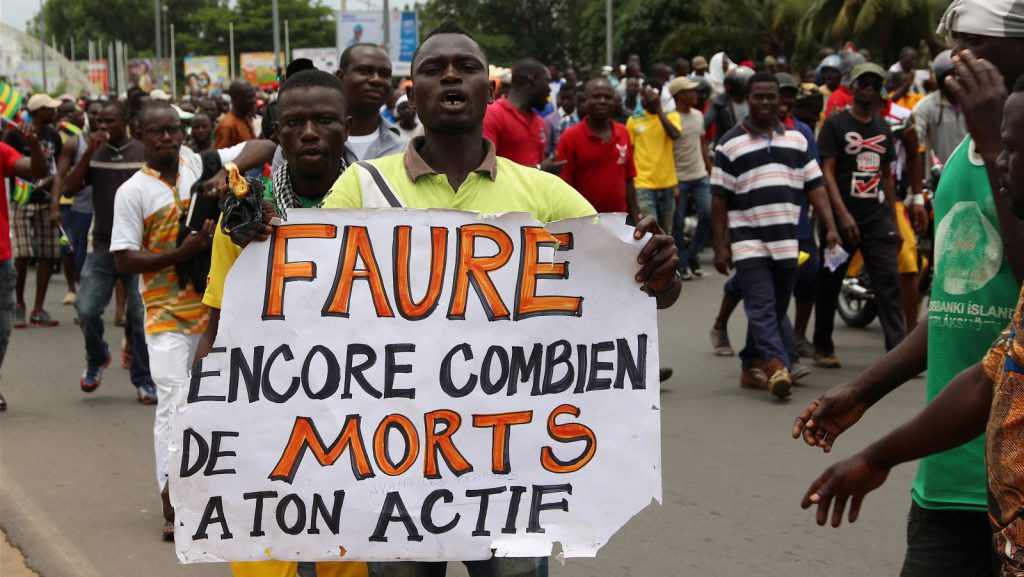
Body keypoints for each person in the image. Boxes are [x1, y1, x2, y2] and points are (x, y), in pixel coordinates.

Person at [216, 21, 680, 577]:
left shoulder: (545, 194)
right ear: (412, 94)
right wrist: (262, 246)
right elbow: (311, 302)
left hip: (510, 469)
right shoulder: (361, 187)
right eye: (434, 69)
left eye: (467, 67)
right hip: (393, 467)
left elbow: (625, 291)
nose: (451, 77)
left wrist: (660, 272)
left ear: (491, 90)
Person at [792, 1, 1024, 570]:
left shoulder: (999, 149)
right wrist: (863, 391)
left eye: (977, 41)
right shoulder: (974, 152)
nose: (957, 57)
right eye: (954, 42)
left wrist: (995, 144)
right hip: (948, 470)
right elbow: (956, 309)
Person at [196, 70, 369, 577]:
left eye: (325, 120)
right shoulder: (245, 219)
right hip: (267, 426)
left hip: (362, 431)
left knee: (351, 561)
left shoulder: (386, 212)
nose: (309, 132)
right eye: (294, 122)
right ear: (276, 131)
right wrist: (191, 445)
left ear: (347, 127)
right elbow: (216, 330)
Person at [111, 100, 275, 541]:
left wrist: (225, 174)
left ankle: (216, 494)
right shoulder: (133, 191)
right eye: (157, 130)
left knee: (218, 402)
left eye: (173, 128)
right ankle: (173, 501)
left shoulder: (198, 164)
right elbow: (124, 259)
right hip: (165, 314)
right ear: (140, 135)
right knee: (173, 402)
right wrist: (179, 254)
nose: (167, 137)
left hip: (214, 310)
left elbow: (264, 146)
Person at [711, 72, 839, 398]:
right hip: (748, 238)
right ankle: (777, 364)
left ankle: (749, 364)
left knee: (777, 305)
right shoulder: (729, 143)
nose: (766, 103)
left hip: (786, 239)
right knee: (761, 305)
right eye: (759, 96)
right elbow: (719, 198)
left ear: (780, 100)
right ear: (748, 99)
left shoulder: (797, 140)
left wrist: (831, 226)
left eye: (771, 96)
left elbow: (816, 186)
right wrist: (721, 245)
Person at [59, 100, 155, 398]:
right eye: (99, 122)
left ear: (125, 120)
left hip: (138, 247)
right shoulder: (95, 154)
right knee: (86, 308)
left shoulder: (143, 153)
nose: (103, 127)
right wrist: (89, 153)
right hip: (102, 245)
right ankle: (97, 358)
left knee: (139, 314)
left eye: (110, 121)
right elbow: (68, 189)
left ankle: (143, 378)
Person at [813, 62, 906, 368]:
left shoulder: (883, 127)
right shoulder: (835, 125)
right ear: (852, 88)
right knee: (830, 281)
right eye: (863, 82)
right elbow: (826, 173)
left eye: (875, 83)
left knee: (889, 281)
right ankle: (822, 346)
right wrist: (842, 216)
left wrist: (893, 220)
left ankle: (897, 354)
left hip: (876, 217)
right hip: (840, 219)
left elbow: (887, 176)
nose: (869, 87)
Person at [3, 93, 64, 328]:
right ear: (38, 111)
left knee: (47, 255)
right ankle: (19, 304)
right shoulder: (13, 135)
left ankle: (38, 308)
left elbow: (53, 170)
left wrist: (50, 188)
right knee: (22, 254)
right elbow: (15, 167)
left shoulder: (53, 136)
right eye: (49, 108)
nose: (54, 112)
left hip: (45, 201)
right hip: (21, 201)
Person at [0, 125, 48, 411]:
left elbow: (36, 171)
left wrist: (34, 145)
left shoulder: (1, 150)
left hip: (1, 258)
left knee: (2, 329)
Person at [556, 77, 638, 219]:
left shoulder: (623, 132)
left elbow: (628, 178)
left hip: (619, 221)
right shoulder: (569, 137)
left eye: (607, 97)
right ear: (586, 100)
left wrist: (636, 216)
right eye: (596, 97)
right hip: (584, 222)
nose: (602, 101)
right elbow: (563, 187)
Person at [483, 58, 564, 173]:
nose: (549, 89)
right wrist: (539, 169)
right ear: (533, 80)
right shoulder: (492, 114)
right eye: (547, 81)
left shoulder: (540, 122)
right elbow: (487, 169)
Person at [627, 79, 681, 234]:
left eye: (647, 95)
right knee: (650, 231)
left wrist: (658, 108)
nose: (643, 99)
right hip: (643, 184)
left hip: (667, 184)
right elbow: (629, 151)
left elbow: (674, 134)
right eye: (642, 96)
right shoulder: (633, 120)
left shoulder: (672, 116)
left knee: (666, 232)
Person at [335, 43, 405, 163]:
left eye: (385, 74)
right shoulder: (318, 141)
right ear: (340, 77)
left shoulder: (405, 148)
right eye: (365, 71)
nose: (377, 80)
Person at [911, 50, 967, 166]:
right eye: (951, 76)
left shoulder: (974, 102)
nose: (956, 80)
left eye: (960, 75)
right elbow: (915, 138)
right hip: (941, 172)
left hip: (970, 170)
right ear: (941, 80)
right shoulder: (925, 106)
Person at [214, 79, 257, 149]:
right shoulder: (227, 125)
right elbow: (220, 153)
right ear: (234, 98)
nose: (253, 101)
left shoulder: (246, 118)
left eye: (254, 96)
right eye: (249, 97)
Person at [543, 84, 578, 157]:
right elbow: (546, 149)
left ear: (575, 99)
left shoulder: (579, 118)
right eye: (563, 98)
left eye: (569, 98)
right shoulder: (550, 120)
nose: (565, 101)